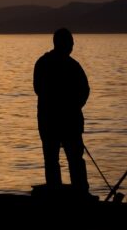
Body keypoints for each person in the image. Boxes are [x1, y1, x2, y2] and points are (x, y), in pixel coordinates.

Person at [33, 28, 92, 195]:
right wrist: (73, 106)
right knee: (71, 159)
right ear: (64, 44)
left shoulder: (43, 63)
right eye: (71, 43)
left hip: (51, 120)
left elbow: (38, 89)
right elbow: (84, 90)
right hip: (62, 121)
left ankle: (60, 192)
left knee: (54, 159)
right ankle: (79, 192)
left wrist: (72, 106)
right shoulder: (72, 66)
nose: (72, 46)